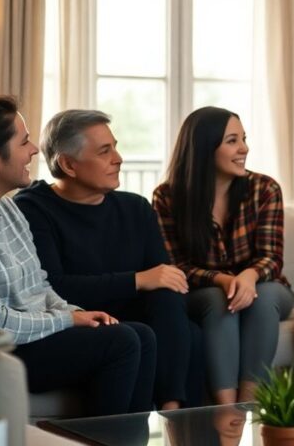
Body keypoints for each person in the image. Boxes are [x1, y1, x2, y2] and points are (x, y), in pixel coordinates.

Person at [0, 92, 155, 415]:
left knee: (141, 335)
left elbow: (39, 285)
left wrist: (75, 313)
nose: (35, 150)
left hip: (32, 339)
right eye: (24, 142)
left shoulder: (6, 206)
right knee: (121, 343)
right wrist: (67, 320)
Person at [14, 110, 204, 410]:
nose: (118, 158)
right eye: (105, 151)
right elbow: (51, 288)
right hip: (72, 324)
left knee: (174, 307)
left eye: (114, 147)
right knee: (169, 332)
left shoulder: (136, 208)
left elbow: (169, 279)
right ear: (68, 164)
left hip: (130, 319)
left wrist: (148, 282)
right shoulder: (32, 209)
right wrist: (137, 280)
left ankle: (173, 414)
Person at [153, 106, 294, 405]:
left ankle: (248, 405)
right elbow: (175, 265)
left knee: (266, 295)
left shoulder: (265, 188)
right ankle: (224, 411)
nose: (244, 148)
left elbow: (271, 257)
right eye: (232, 140)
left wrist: (248, 276)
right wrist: (221, 280)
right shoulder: (167, 197)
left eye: (243, 139)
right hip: (203, 292)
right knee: (220, 300)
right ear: (205, 147)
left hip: (264, 287)